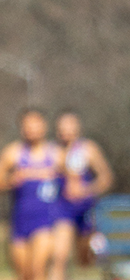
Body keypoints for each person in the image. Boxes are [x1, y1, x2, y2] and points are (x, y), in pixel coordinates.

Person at [0, 109, 62, 280]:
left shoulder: (57, 155)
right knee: (24, 275)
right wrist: (9, 181)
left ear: (45, 126)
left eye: (36, 124)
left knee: (37, 270)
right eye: (27, 125)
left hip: (47, 221)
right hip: (20, 222)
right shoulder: (14, 153)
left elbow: (74, 185)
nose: (31, 129)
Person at [51, 111, 114, 280]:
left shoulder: (89, 149)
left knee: (85, 260)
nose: (66, 130)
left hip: (85, 208)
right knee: (60, 256)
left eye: (70, 125)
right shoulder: (53, 151)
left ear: (78, 127)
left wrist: (88, 190)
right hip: (62, 209)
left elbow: (105, 177)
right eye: (62, 126)